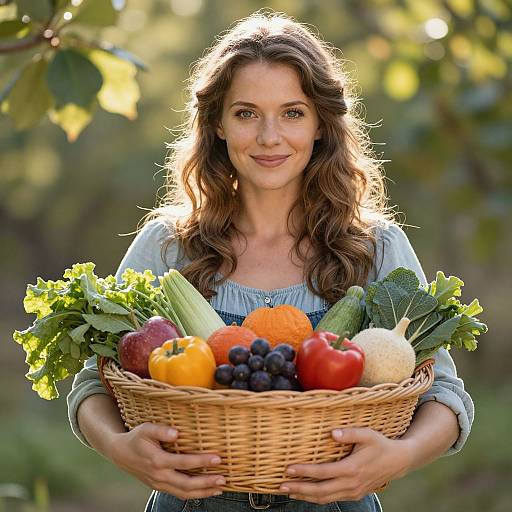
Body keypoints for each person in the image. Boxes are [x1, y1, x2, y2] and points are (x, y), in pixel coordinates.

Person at [67, 11, 474, 512]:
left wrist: (400, 456)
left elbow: (442, 394)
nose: (268, 137)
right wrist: (120, 448)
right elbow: (95, 380)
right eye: (245, 113)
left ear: (322, 123)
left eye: (292, 112)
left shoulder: (375, 247)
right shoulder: (169, 247)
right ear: (216, 124)